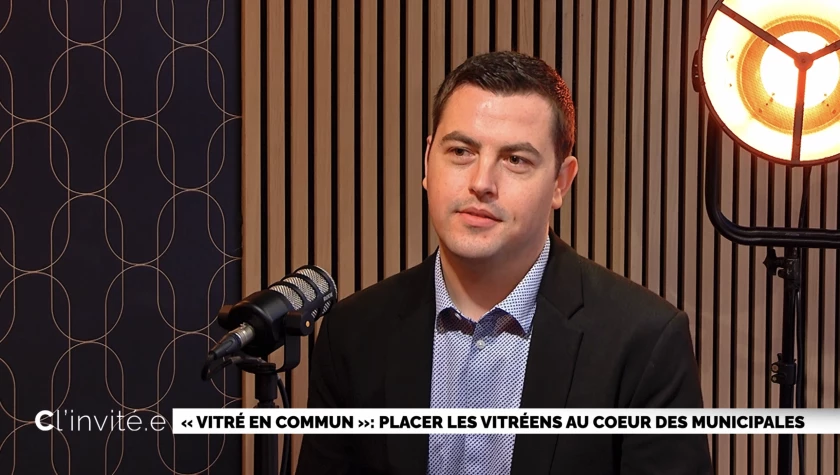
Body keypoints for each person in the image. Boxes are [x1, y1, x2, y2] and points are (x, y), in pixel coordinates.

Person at [296, 51, 711, 475]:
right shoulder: (353, 334)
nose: (481, 183)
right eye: (461, 151)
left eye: (516, 160)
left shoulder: (645, 342)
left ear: (561, 182)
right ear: (427, 160)